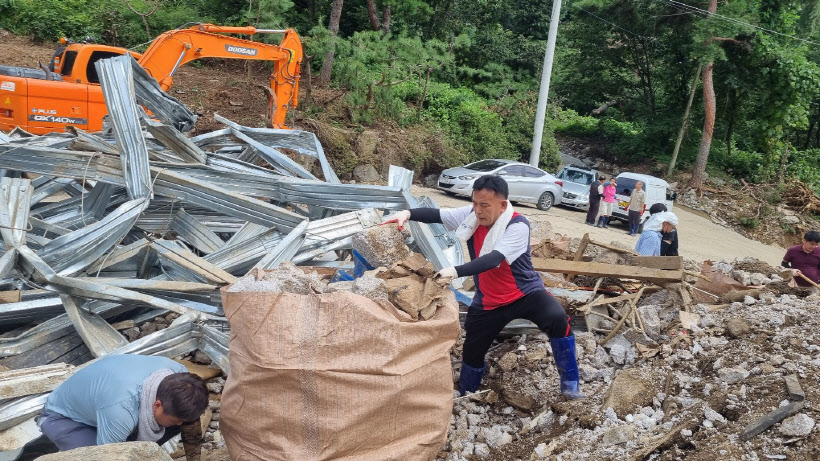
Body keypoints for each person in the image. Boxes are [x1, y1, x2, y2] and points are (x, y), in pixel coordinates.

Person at [383, 175, 584, 400]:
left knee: (557, 318)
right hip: (489, 300)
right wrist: (407, 214)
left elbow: (493, 259)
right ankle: (468, 393)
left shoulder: (518, 225)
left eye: (485, 205)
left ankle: (570, 386)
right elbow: (437, 215)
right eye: (475, 203)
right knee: (472, 349)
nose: (478, 211)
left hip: (525, 293)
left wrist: (455, 271)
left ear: (503, 205)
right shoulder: (471, 216)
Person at [38, 354, 209, 460]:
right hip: (66, 419)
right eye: (176, 419)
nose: (180, 423)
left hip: (107, 407)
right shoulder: (121, 411)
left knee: (185, 421)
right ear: (157, 405)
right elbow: (108, 457)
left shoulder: (179, 375)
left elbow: (190, 423)